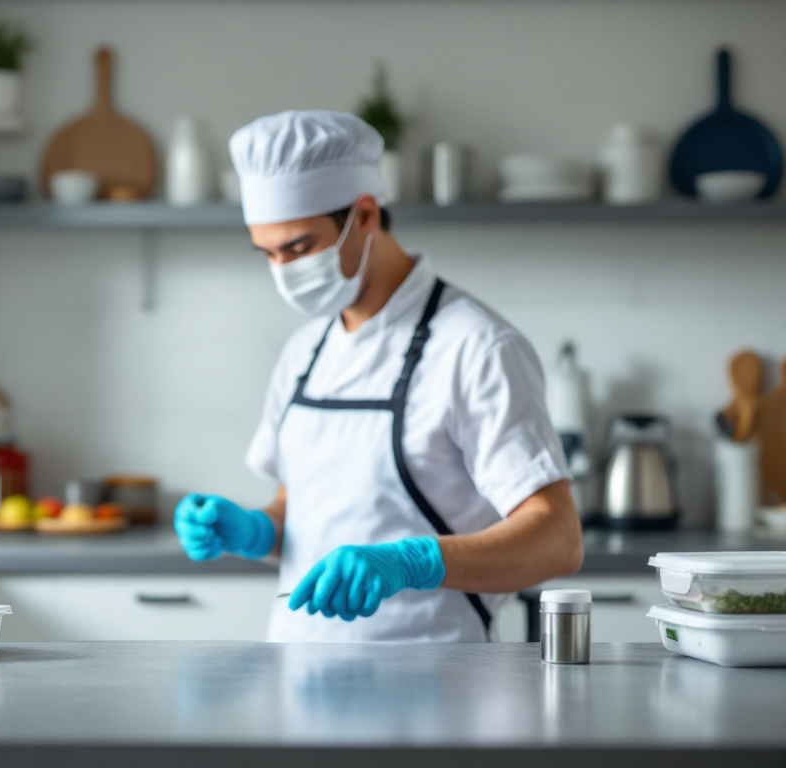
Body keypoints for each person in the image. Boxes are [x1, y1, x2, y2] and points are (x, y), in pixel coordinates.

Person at [174, 111, 583, 643]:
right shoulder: (305, 350)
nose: (284, 270)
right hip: (298, 682)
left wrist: (416, 560)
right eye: (268, 254)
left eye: (298, 247)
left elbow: (557, 540)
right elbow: (299, 509)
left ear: (365, 214)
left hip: (435, 687)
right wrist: (254, 531)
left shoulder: (476, 347)